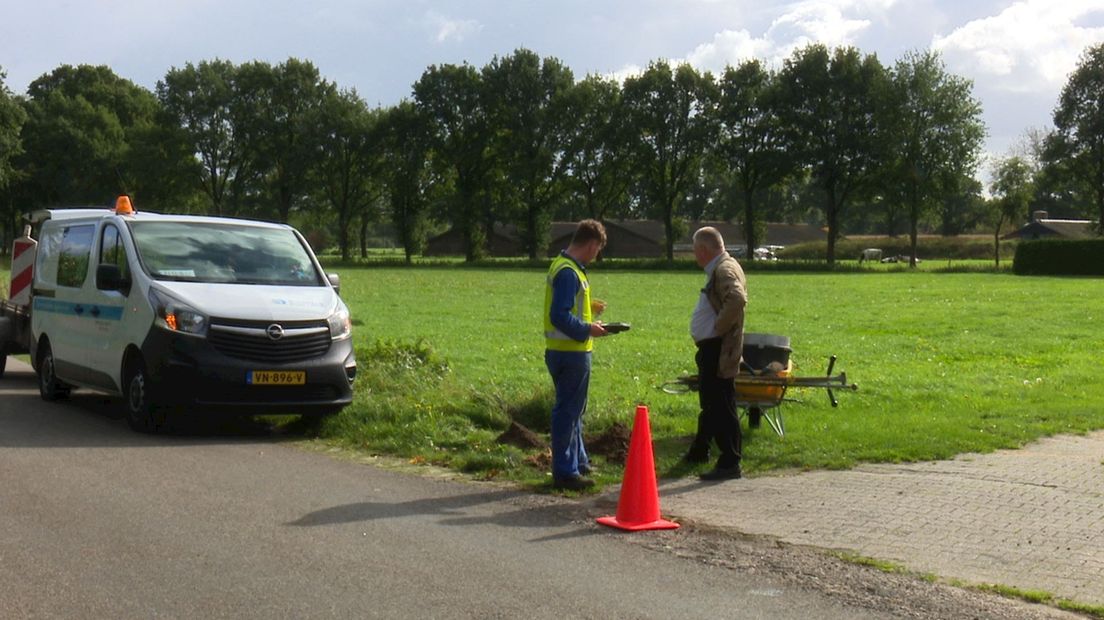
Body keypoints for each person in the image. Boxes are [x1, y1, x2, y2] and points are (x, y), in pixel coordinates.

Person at [544, 219, 609, 491]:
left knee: (574, 410)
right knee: (568, 411)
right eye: (598, 249)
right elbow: (559, 316)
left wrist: (589, 313)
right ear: (592, 244)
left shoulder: (564, 266)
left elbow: (566, 308)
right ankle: (565, 472)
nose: (597, 255)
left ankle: (578, 462)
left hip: (563, 351)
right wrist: (588, 329)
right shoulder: (570, 272)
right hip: (571, 353)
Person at [684, 226, 747, 481]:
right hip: (713, 347)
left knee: (721, 403)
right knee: (713, 402)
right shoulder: (723, 266)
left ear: (703, 249)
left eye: (695, 250)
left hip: (717, 348)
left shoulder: (724, 269)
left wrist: (718, 327)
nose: (694, 255)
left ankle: (730, 461)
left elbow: (737, 299)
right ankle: (701, 450)